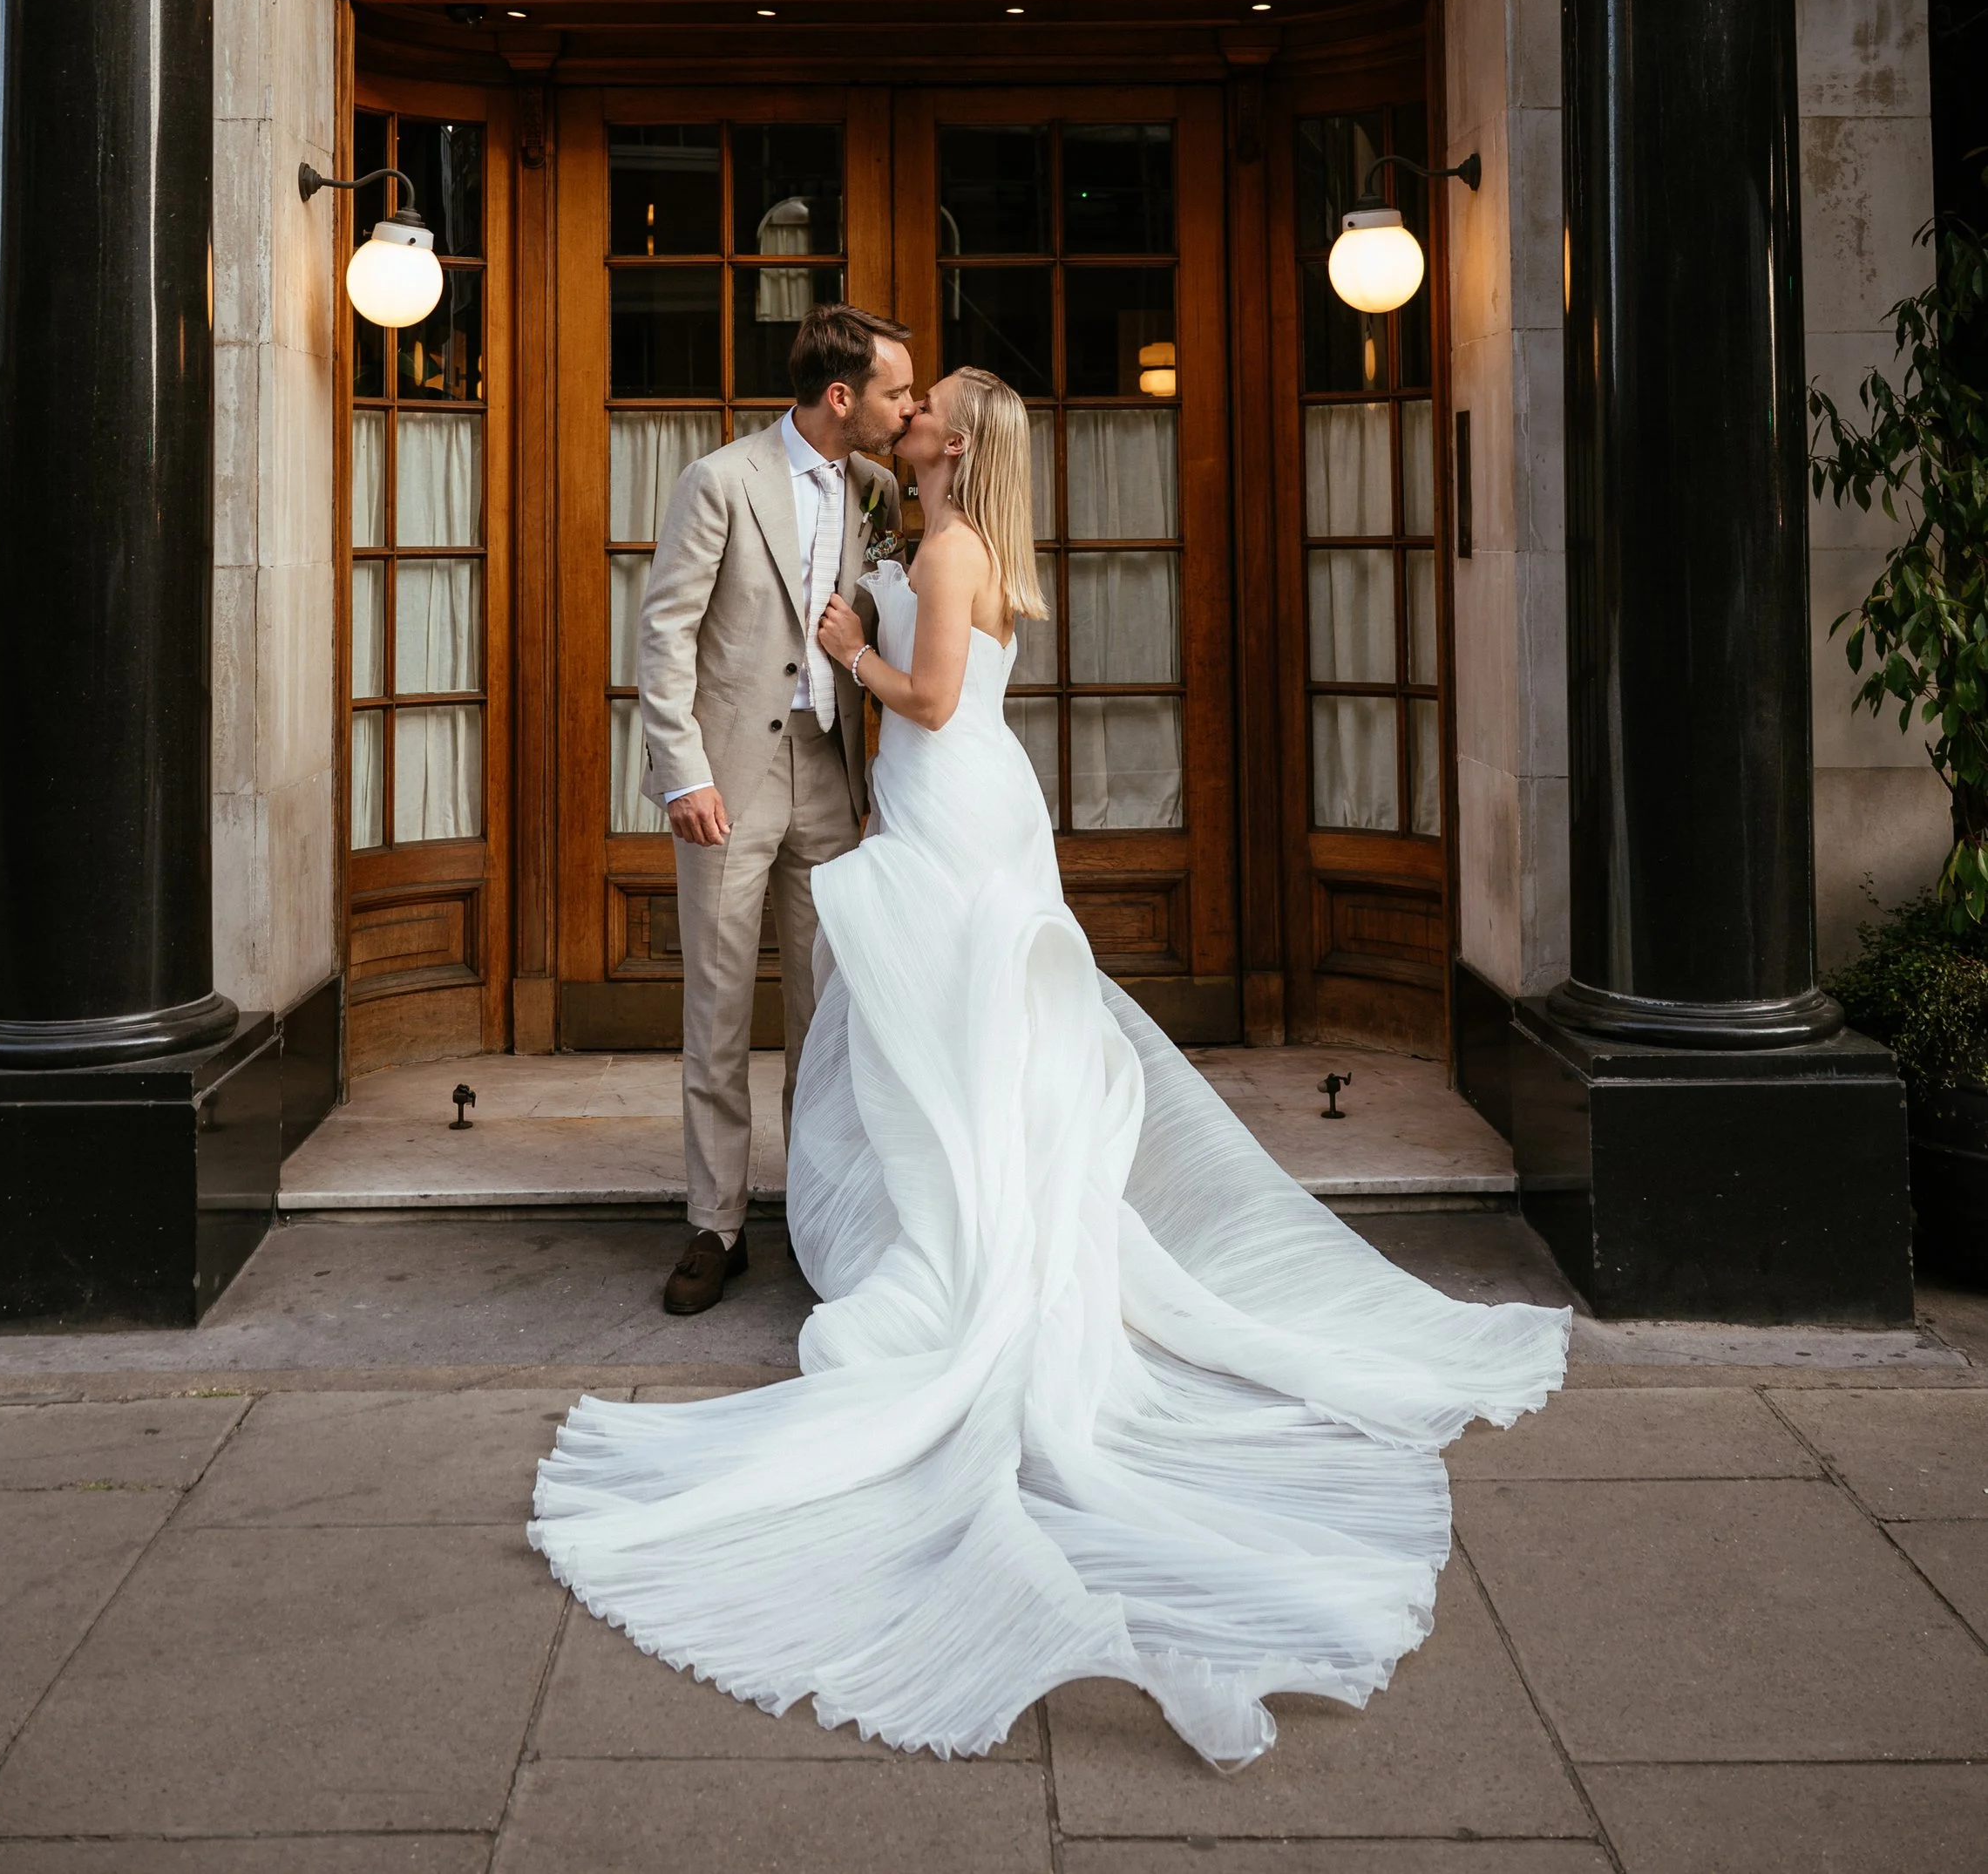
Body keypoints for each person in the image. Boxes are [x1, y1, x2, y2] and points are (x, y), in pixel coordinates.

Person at [535, 363, 1570, 1766]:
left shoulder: (948, 547)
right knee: (929, 1043)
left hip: (948, 802)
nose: (909, 414)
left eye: (928, 405)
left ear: (956, 441)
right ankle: (917, 1222)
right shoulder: (916, 526)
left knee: (951, 1036)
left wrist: (851, 649)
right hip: (911, 804)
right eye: (900, 396)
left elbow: (939, 700)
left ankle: (970, 1255)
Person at [634, 302, 913, 1317]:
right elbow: (665, 636)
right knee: (714, 1011)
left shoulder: (878, 490)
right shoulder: (721, 480)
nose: (906, 405)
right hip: (727, 779)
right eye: (894, 390)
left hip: (830, 776)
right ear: (841, 395)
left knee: (823, 1020)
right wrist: (683, 773)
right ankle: (715, 1224)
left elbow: (879, 619)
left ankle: (813, 1214)